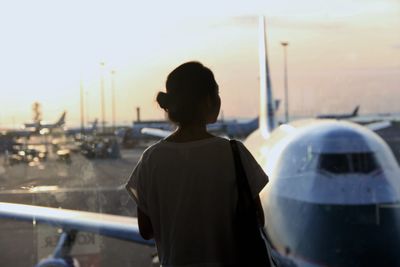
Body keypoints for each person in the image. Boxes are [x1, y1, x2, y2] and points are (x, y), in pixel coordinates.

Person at [126, 61, 268, 267]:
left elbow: (146, 230)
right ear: (206, 102)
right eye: (216, 93)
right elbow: (258, 220)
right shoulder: (234, 153)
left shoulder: (151, 159)